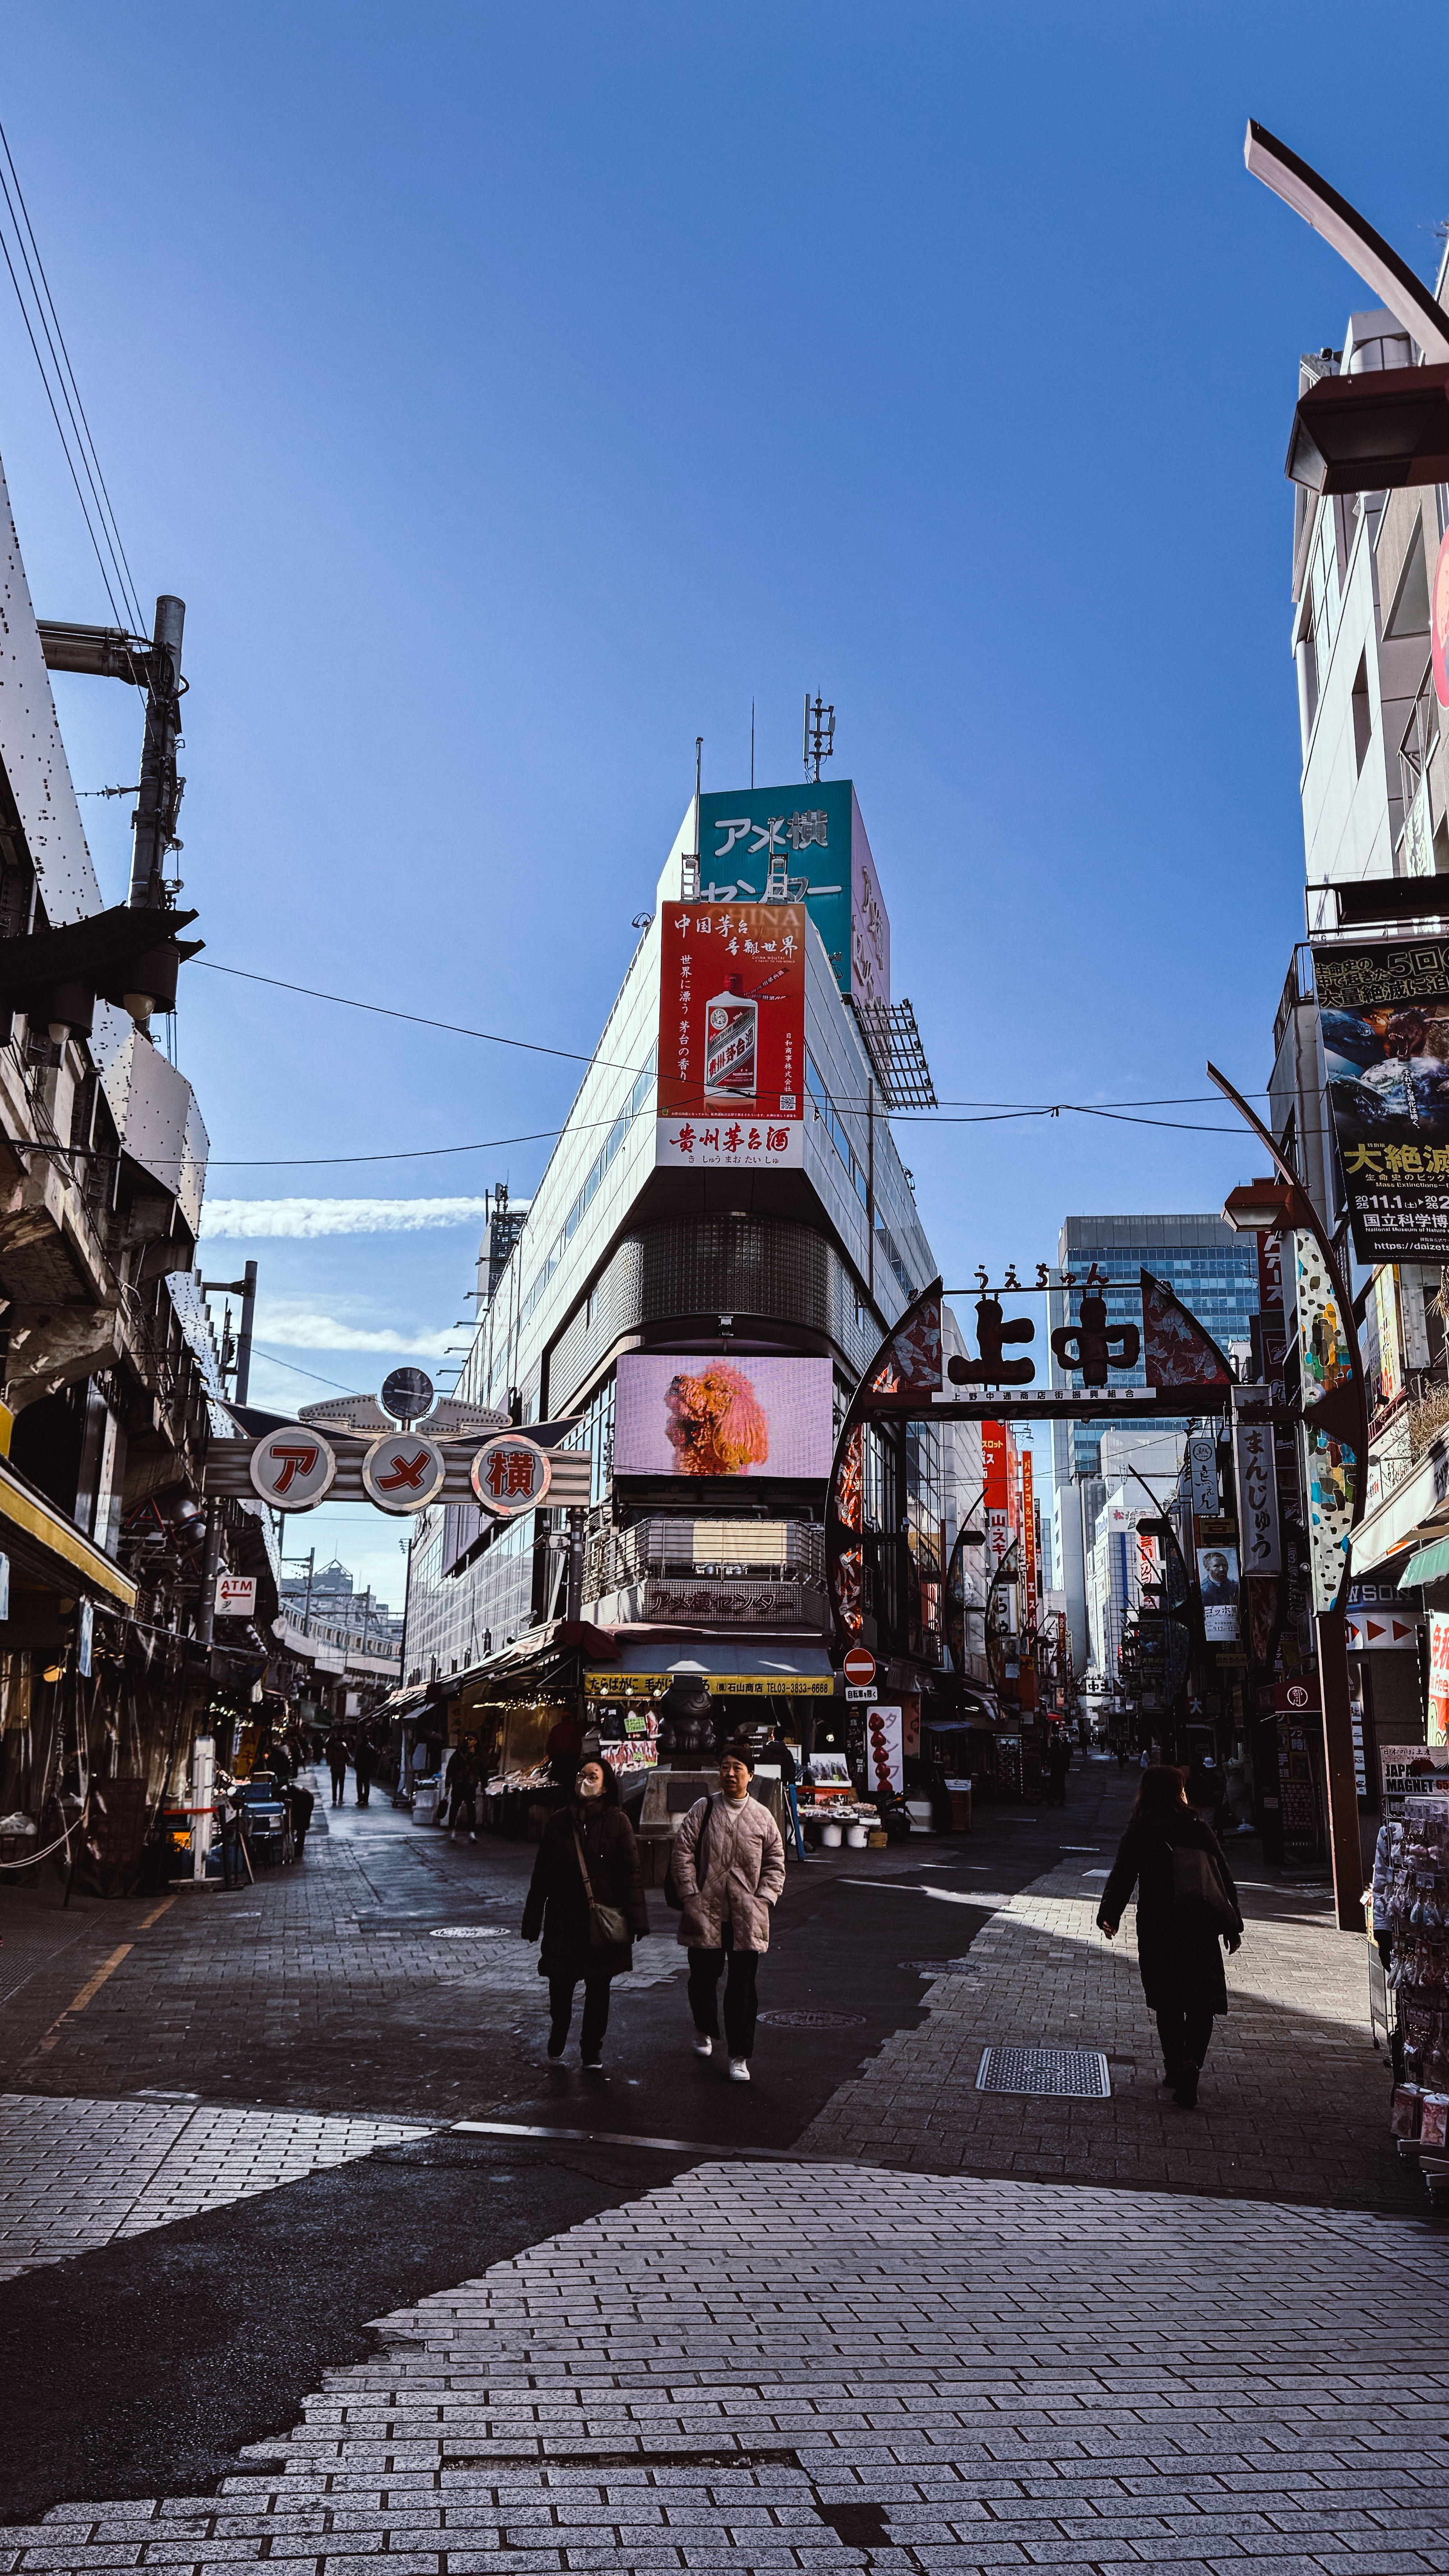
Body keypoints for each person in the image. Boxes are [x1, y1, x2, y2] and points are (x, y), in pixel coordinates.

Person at [1096, 1762, 1243, 2109]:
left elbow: (1122, 1876)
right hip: (1199, 1924)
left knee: (1167, 2000)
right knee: (1200, 2000)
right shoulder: (1197, 1827)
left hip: (1158, 1924)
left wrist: (1109, 1916)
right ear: (1178, 1791)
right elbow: (1221, 1879)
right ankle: (1193, 2062)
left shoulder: (1140, 1829)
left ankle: (1174, 2067)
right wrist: (1232, 1924)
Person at [520, 1757, 648, 2068]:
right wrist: (532, 1919)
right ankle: (560, 2027)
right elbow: (542, 1875)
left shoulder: (618, 1821)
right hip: (563, 1918)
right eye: (581, 1774)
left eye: (593, 1775)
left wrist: (637, 1920)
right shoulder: (559, 1822)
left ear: (606, 1785)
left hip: (600, 1919)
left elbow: (630, 1873)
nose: (585, 1780)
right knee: (560, 1983)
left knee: (599, 1986)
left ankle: (592, 2047)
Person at [672, 1742, 786, 2084]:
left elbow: (775, 1864)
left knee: (742, 1988)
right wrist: (690, 1894)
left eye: (738, 1767)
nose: (731, 1773)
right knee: (702, 1980)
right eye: (725, 1767)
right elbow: (682, 1852)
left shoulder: (762, 1816)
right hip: (705, 1913)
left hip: (746, 1917)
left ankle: (739, 2055)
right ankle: (703, 2027)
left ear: (750, 1775)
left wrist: (763, 1899)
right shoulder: (703, 1808)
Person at [760, 1725, 806, 1860]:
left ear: (773, 1735)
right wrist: (791, 1786)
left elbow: (760, 1766)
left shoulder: (766, 1751)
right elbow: (791, 1771)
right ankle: (780, 1846)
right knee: (782, 1818)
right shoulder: (787, 1753)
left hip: (766, 1787)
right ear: (784, 1737)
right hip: (782, 1788)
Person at [444, 1734, 479, 1840]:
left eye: (470, 1739)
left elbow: (482, 1769)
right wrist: (448, 1785)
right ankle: (452, 1832)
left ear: (475, 1741)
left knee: (471, 1810)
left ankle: (472, 1833)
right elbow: (450, 1770)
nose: (468, 1741)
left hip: (471, 1785)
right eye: (466, 1739)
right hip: (459, 1784)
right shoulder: (458, 1754)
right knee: (454, 1808)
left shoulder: (478, 1755)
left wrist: (484, 1784)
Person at [285, 1776, 315, 1860]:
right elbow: (310, 1808)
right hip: (304, 1812)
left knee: (293, 1829)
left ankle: (293, 1849)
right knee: (301, 1831)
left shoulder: (291, 1794)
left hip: (297, 1810)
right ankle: (299, 1852)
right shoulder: (308, 1796)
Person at [1044, 1726, 1072, 1808]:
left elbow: (1049, 1762)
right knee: (1061, 1787)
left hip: (1055, 1772)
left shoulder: (1053, 1753)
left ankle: (1051, 1800)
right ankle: (1061, 1801)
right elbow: (1065, 1760)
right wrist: (1066, 1769)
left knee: (1053, 1786)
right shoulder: (1060, 1752)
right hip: (1060, 1772)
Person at [325, 1726, 349, 1807]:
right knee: (341, 1784)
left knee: (334, 1785)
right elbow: (348, 1758)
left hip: (334, 1768)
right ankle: (341, 1799)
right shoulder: (344, 1748)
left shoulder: (332, 1748)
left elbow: (329, 1759)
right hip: (342, 1768)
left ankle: (334, 1800)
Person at [353, 1734, 375, 1808]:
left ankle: (360, 1799)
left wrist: (356, 1767)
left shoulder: (360, 1748)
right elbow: (372, 1759)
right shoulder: (370, 1748)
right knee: (366, 1784)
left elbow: (357, 1759)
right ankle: (366, 1800)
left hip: (360, 1769)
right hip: (367, 1769)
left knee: (360, 1785)